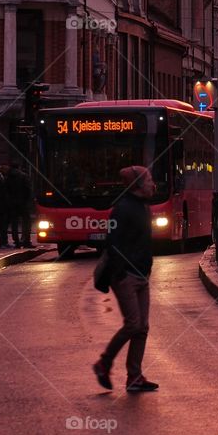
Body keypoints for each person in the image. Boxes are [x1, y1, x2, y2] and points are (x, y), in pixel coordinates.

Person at [92, 166, 158, 393]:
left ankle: (134, 376)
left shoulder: (142, 205)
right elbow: (113, 242)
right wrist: (120, 273)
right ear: (138, 185)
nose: (153, 184)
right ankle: (104, 363)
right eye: (149, 180)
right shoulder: (123, 209)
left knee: (142, 328)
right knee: (133, 324)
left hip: (142, 274)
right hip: (126, 276)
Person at [4, 162, 33, 248]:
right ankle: (26, 240)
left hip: (12, 203)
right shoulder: (24, 176)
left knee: (14, 223)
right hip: (23, 203)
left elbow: (6, 191)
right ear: (19, 167)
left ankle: (16, 242)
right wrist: (28, 200)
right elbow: (28, 189)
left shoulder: (8, 177)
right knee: (27, 222)